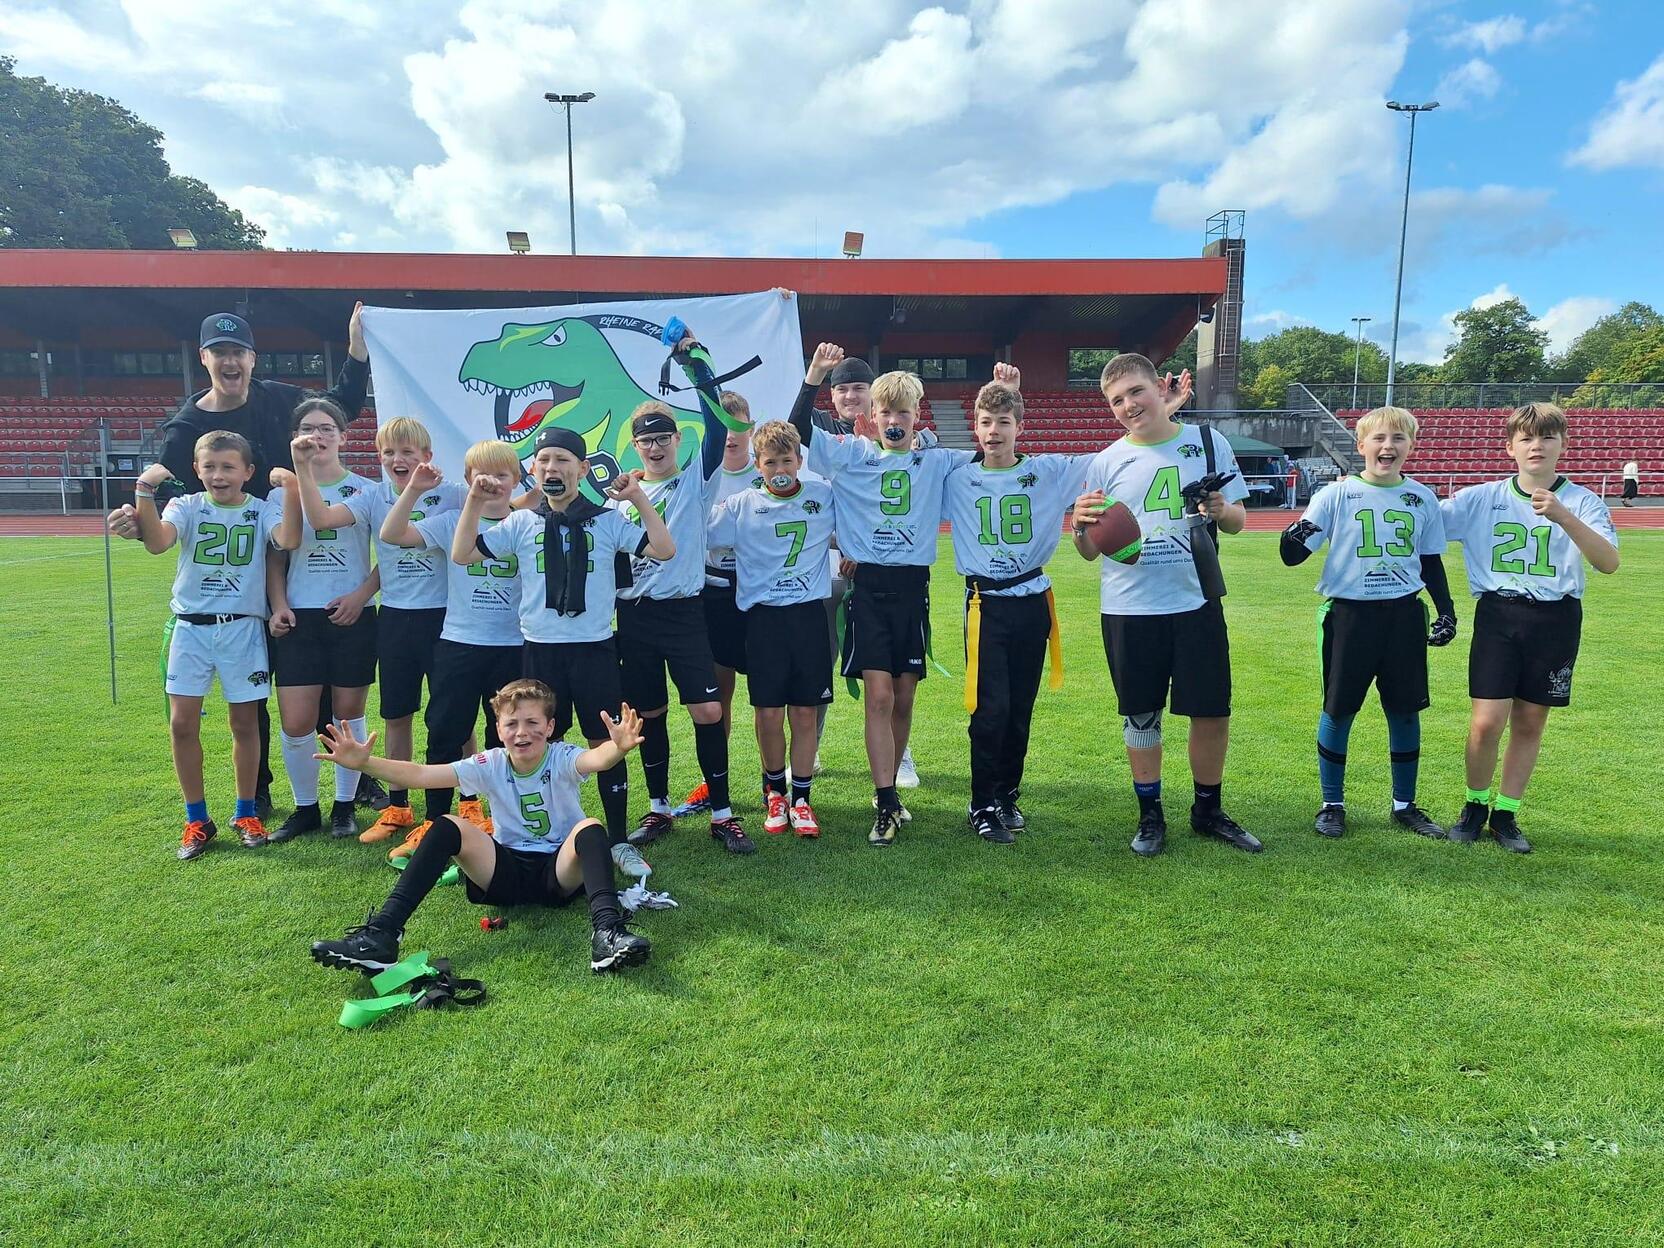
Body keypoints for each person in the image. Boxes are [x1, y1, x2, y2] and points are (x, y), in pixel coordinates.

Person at [106, 305, 371, 816]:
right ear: (205, 359)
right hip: (249, 560)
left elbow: (341, 405)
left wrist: (356, 347)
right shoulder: (188, 424)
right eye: (220, 352)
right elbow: (167, 488)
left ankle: (343, 783)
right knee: (259, 688)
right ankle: (261, 788)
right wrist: (132, 515)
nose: (231, 362)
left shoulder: (278, 396)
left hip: (291, 533)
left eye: (239, 352)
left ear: (252, 358)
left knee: (312, 680)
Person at [307, 680, 653, 975]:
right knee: (445, 826)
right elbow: (421, 775)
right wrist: (365, 762)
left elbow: (594, 759)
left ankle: (607, 934)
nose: (522, 732)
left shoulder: (561, 756)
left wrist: (617, 748)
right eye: (512, 723)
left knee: (591, 827)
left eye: (533, 722)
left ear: (549, 728)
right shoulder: (490, 762)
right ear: (499, 729)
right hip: (504, 871)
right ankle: (382, 936)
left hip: (559, 873)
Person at [450, 426, 673, 873]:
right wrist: (474, 500)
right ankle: (539, 832)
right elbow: (462, 554)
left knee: (605, 742)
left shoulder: (607, 519)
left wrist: (638, 500)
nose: (553, 468)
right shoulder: (521, 522)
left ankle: (615, 840)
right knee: (535, 742)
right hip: (539, 651)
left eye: (563, 460)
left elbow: (664, 549)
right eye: (545, 460)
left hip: (594, 649)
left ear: (582, 468)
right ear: (533, 469)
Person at [1072, 353, 1258, 857]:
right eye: (1117, 400)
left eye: (1136, 391)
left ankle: (1207, 809)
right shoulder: (1106, 461)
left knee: (1211, 711)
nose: (1129, 405)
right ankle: (1150, 814)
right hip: (1130, 607)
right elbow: (1089, 551)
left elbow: (1238, 520)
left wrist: (1222, 510)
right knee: (1141, 715)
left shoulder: (1207, 442)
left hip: (1195, 598)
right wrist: (1080, 529)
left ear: (1158, 388)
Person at [789, 351, 973, 846]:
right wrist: (813, 380)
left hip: (913, 589)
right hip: (867, 589)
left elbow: (995, 458)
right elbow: (797, 430)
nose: (894, 421)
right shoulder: (853, 453)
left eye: (903, 413)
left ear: (917, 417)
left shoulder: (936, 459)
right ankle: (887, 797)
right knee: (880, 694)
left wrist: (1011, 394)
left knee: (906, 696)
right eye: (886, 413)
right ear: (873, 416)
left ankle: (890, 783)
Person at [1440, 403, 1620, 852]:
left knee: (1530, 720)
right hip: (1499, 614)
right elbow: (1427, 521)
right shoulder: (1482, 497)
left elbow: (1608, 562)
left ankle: (1505, 813)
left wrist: (1563, 516)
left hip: (1555, 617)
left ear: (1563, 445)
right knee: (1486, 722)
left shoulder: (1581, 500)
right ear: (1510, 448)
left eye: (1547, 437)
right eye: (1526, 438)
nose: (1536, 445)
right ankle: (1474, 804)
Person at [1279, 406, 1455, 840]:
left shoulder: (1422, 497)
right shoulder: (1335, 495)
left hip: (1403, 615)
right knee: (1339, 709)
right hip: (1350, 615)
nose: (1388, 446)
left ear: (1411, 446)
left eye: (1398, 438)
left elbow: (1430, 562)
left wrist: (1447, 610)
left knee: (1405, 710)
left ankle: (1405, 804)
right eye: (1378, 438)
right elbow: (1292, 556)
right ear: (1361, 446)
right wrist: (1293, 534)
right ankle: (1332, 803)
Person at [293, 416, 469, 845]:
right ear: (379, 458)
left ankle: (470, 802)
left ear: (426, 456)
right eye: (389, 452)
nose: (398, 459)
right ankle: (398, 804)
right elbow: (319, 520)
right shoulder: (372, 495)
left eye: (407, 452)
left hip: (448, 617)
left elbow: (500, 509)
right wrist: (301, 467)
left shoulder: (452, 494)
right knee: (397, 715)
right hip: (394, 618)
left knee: (456, 715)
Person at [614, 329, 755, 856]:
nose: (654, 446)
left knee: (708, 713)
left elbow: (717, 421)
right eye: (646, 439)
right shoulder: (619, 496)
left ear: (677, 439)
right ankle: (658, 809)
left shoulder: (697, 479)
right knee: (648, 715)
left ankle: (721, 812)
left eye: (662, 437)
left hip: (685, 612)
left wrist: (695, 362)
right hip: (634, 619)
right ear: (635, 444)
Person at [945, 367, 1098, 843]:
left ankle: (1007, 795)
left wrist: (1163, 415)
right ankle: (981, 802)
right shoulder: (957, 475)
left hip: (1032, 601)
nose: (994, 431)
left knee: (1019, 709)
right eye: (986, 422)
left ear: (1020, 427)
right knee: (989, 709)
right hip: (984, 605)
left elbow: (1115, 459)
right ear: (975, 427)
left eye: (1003, 422)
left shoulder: (1048, 471)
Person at [132, 432, 302, 858]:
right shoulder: (187, 505)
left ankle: (246, 811)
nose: (218, 475)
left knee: (245, 724)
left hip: (241, 628)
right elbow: (157, 542)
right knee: (182, 724)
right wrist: (143, 491)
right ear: (196, 470)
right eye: (209, 466)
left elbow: (289, 540)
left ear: (248, 472)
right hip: (190, 628)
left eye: (228, 467)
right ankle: (196, 818)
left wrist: (295, 490)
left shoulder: (261, 510)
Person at [788, 345, 934, 788]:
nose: (851, 395)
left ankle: (899, 756)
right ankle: (811, 751)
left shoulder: (906, 438)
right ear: (831, 397)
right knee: (819, 668)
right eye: (843, 388)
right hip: (820, 565)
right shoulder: (831, 436)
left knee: (888, 683)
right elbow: (794, 432)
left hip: (875, 571)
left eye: (859, 388)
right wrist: (813, 375)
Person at [378, 440, 526, 856]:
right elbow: (391, 534)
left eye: (502, 475)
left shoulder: (529, 522)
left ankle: (507, 820)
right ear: (467, 481)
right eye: (483, 475)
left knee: (508, 736)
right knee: (445, 732)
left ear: (516, 480)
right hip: (460, 642)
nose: (493, 483)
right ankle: (435, 822)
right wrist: (414, 490)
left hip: (513, 645)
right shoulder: (451, 521)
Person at [706, 420, 838, 837]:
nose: (779, 467)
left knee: (803, 710)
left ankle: (802, 798)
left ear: (800, 461)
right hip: (762, 620)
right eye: (770, 461)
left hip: (807, 617)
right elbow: (698, 530)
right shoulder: (742, 504)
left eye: (787, 459)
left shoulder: (823, 496)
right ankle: (774, 791)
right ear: (757, 466)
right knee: (767, 711)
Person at [266, 397, 382, 842]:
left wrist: (360, 595)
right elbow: (276, 559)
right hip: (300, 618)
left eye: (327, 427)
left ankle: (344, 807)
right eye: (308, 428)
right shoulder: (279, 494)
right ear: (295, 437)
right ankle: (304, 809)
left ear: (343, 437)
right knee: (296, 720)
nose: (318, 435)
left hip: (353, 614)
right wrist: (279, 605)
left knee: (348, 715)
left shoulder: (367, 490)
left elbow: (387, 556)